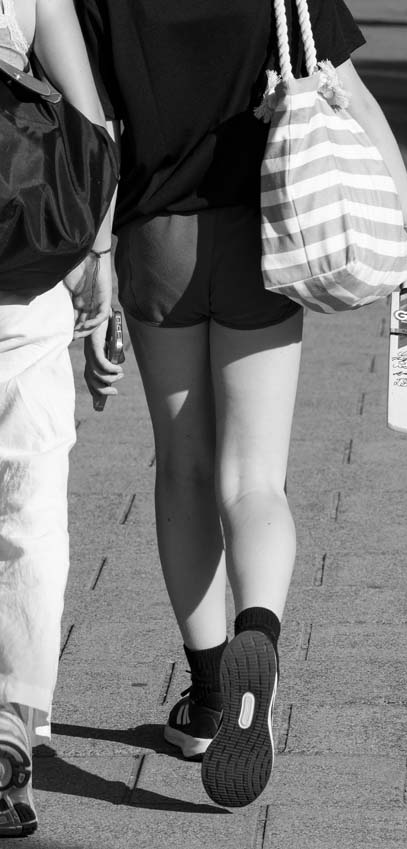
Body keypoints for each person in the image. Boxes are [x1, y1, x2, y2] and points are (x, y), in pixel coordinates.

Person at [77, 0, 407, 808]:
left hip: (155, 235)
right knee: (256, 480)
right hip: (266, 232)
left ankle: (207, 699)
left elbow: (95, 125)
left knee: (183, 468)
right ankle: (259, 636)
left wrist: (95, 263)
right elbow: (354, 92)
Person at [0, 0, 117, 835]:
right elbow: (89, 121)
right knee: (29, 498)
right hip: (18, 268)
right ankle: (7, 726)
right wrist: (97, 257)